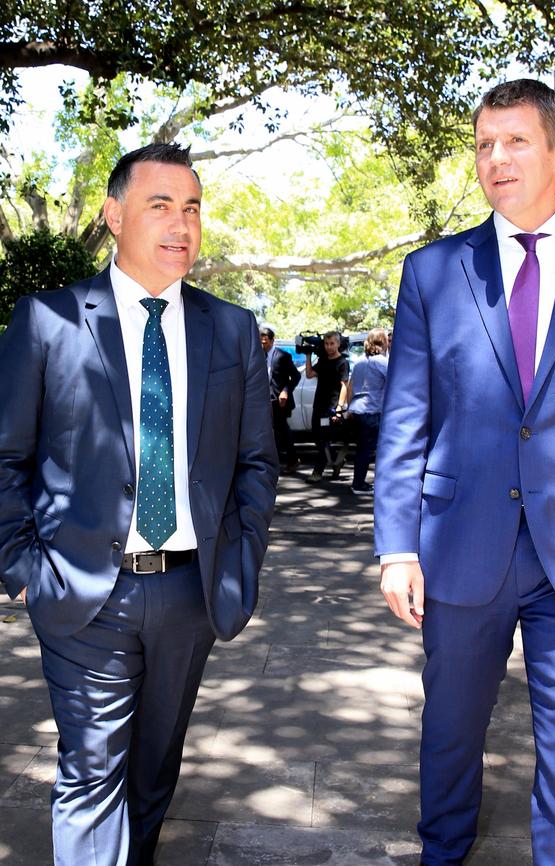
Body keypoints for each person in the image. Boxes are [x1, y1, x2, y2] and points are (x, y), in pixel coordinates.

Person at [375, 79, 555, 866]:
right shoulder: (432, 273)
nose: (496, 159)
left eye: (517, 141)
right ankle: (444, 849)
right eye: (484, 143)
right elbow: (405, 419)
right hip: (460, 547)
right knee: (451, 731)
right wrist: (397, 546)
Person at [0, 142, 278, 866]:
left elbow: (255, 463)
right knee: (92, 772)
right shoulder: (50, 321)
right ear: (114, 214)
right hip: (84, 592)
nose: (180, 224)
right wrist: (25, 568)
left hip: (191, 590)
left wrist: (238, 562)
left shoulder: (232, 329)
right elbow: (5, 458)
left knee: (153, 773)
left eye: (191, 208)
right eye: (161, 206)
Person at [346, 328, 389, 495]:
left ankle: (359, 482)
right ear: (383, 342)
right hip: (372, 409)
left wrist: (349, 408)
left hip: (357, 409)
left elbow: (350, 387)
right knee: (373, 450)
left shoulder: (360, 362)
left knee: (362, 449)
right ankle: (360, 485)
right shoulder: (382, 362)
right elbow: (395, 382)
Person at [305, 331, 349, 482]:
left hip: (331, 407)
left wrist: (339, 408)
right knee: (317, 436)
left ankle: (318, 471)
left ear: (338, 344)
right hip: (319, 404)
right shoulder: (323, 361)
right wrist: (308, 355)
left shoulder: (342, 362)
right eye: (326, 344)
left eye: (332, 344)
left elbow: (344, 386)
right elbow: (309, 374)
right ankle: (337, 460)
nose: (329, 347)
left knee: (323, 438)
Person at [259, 325, 301, 472]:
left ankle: (293, 460)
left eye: (265, 342)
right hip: (263, 400)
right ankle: (272, 462)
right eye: (260, 341)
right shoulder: (257, 356)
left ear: (272, 340)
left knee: (282, 430)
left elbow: (296, 376)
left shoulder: (282, 356)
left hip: (279, 401)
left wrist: (285, 390)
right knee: (268, 432)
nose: (262, 344)